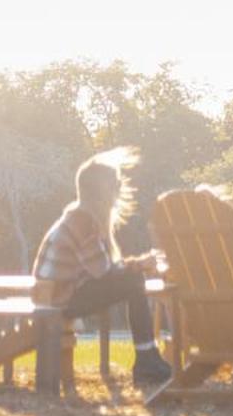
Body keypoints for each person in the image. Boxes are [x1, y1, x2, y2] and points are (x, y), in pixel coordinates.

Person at [32, 148, 172, 392]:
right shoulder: (83, 221)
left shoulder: (80, 216)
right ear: (101, 192)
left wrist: (137, 265)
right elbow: (104, 272)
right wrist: (141, 264)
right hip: (57, 301)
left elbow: (103, 270)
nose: (118, 190)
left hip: (57, 295)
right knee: (132, 281)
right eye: (115, 185)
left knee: (131, 279)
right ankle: (147, 359)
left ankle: (147, 358)